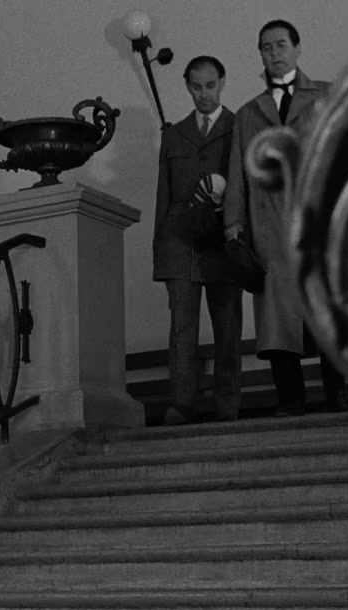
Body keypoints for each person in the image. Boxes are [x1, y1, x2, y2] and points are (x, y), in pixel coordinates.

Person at [224, 19, 348, 417]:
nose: (274, 53)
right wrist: (233, 224)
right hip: (270, 223)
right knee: (279, 319)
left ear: (297, 49)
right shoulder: (248, 113)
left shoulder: (329, 95)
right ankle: (290, 399)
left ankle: (335, 392)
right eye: (266, 47)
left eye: (280, 44)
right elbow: (237, 174)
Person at [153, 56, 243, 425]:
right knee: (182, 329)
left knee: (227, 327)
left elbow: (248, 189)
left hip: (224, 241)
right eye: (196, 86)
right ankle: (181, 403)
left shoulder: (239, 128)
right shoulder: (174, 135)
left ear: (222, 82)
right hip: (180, 242)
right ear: (187, 86)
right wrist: (160, 252)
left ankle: (228, 405)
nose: (204, 93)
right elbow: (163, 197)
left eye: (210, 85)